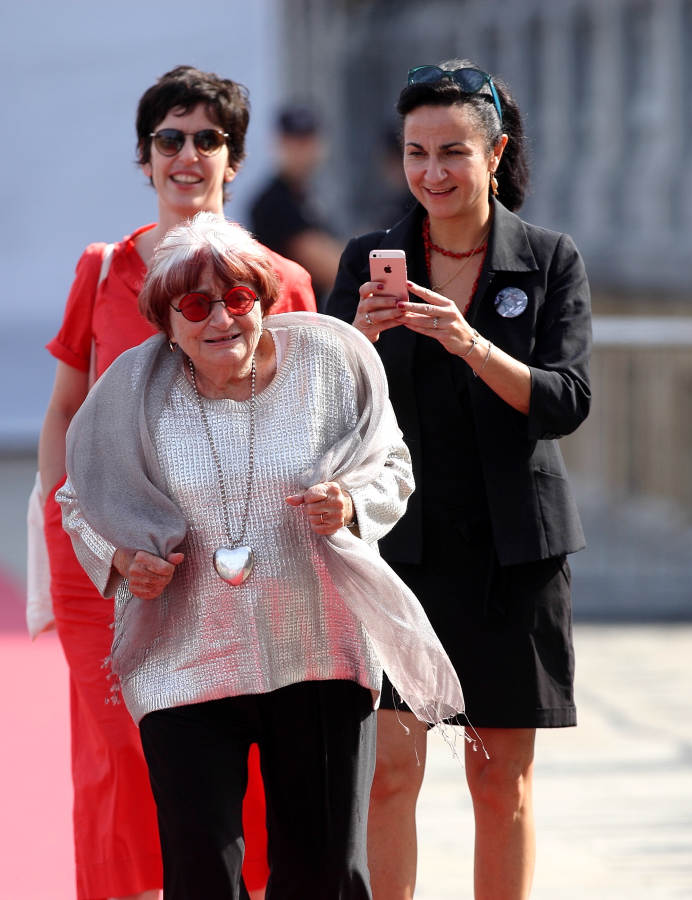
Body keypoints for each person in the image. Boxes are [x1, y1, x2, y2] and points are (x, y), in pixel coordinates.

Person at [58, 212, 459, 899]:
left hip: (319, 649)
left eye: (238, 298)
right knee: (202, 875)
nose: (221, 319)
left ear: (264, 301)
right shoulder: (132, 391)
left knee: (324, 874)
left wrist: (354, 506)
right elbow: (79, 499)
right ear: (167, 321)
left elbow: (391, 463)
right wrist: (123, 558)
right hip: (184, 659)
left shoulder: (331, 363)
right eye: (195, 305)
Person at [34, 65, 316, 900]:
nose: (187, 155)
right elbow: (64, 412)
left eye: (207, 139)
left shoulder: (281, 279)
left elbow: (302, 420)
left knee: (240, 766)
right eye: (169, 139)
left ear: (233, 159)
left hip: (239, 566)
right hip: (109, 566)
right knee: (117, 759)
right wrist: (75, 527)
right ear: (146, 157)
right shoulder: (104, 269)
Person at [324, 60, 591, 900]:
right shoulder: (371, 257)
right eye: (415, 153)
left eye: (453, 153)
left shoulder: (547, 260)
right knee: (392, 771)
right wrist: (356, 340)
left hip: (516, 550)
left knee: (500, 779)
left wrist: (471, 345)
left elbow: (566, 399)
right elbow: (324, 407)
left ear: (495, 152)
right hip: (401, 546)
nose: (432, 173)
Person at [249, 104, 344, 299]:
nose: (302, 150)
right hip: (287, 316)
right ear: (279, 143)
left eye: (307, 140)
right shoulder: (274, 201)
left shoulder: (308, 194)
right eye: (294, 141)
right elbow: (331, 267)